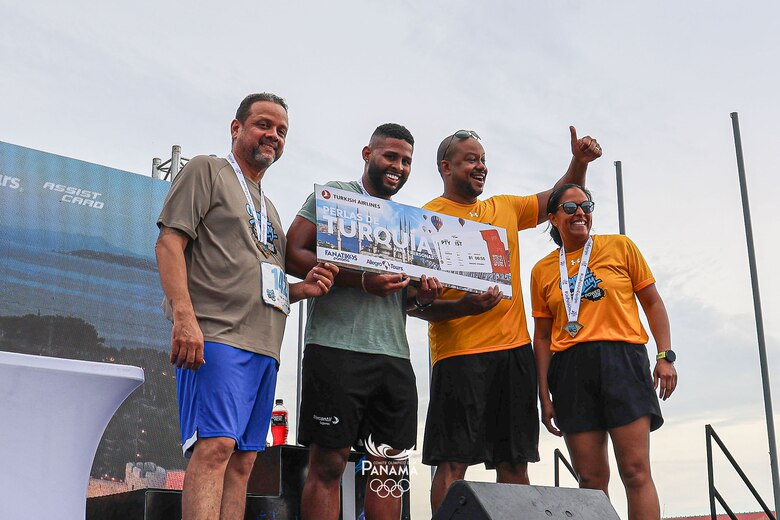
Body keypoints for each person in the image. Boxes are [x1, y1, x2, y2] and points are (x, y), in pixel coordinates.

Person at [155, 93, 338, 520]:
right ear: (236, 128)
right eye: (263, 124)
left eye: (281, 131)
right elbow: (169, 242)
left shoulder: (269, 208)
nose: (272, 135)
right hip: (216, 334)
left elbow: (262, 282)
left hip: (264, 348)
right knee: (215, 447)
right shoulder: (206, 170)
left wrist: (301, 289)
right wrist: (184, 316)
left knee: (243, 463)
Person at [412, 127, 602, 514]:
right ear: (446, 167)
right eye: (470, 159)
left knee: (514, 460)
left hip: (515, 354)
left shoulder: (505, 207)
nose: (480, 166)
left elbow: (560, 197)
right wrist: (465, 306)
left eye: (483, 159)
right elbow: (414, 305)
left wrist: (579, 163)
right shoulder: (425, 218)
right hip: (459, 354)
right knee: (452, 461)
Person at [286, 123, 443, 520]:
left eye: (406, 161)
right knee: (328, 465)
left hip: (393, 355)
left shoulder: (410, 222)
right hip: (335, 348)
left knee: (387, 471)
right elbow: (292, 253)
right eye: (390, 156)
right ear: (367, 154)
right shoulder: (335, 198)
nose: (398, 167)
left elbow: (400, 296)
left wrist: (420, 296)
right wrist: (361, 281)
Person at [531, 184, 677, 520]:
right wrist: (544, 394)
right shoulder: (542, 270)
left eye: (586, 206)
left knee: (636, 471)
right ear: (552, 218)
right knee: (591, 480)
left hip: (622, 360)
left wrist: (665, 356)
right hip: (570, 369)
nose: (580, 213)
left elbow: (653, 303)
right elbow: (541, 337)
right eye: (570, 208)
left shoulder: (621, 246)